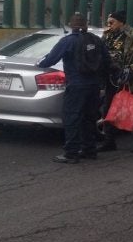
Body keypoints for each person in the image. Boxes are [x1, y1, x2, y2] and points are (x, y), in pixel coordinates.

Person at [36, 13, 110, 163]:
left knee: (72, 118)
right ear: (86, 24)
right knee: (89, 118)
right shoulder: (96, 40)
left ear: (71, 25)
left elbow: (50, 60)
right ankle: (89, 150)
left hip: (76, 85)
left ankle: (71, 153)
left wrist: (39, 64)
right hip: (94, 86)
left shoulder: (67, 41)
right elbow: (107, 60)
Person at [99, 11, 133, 153]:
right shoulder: (107, 36)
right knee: (107, 109)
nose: (109, 25)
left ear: (121, 22)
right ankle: (109, 141)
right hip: (110, 79)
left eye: (112, 22)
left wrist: (130, 72)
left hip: (127, 80)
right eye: (108, 22)